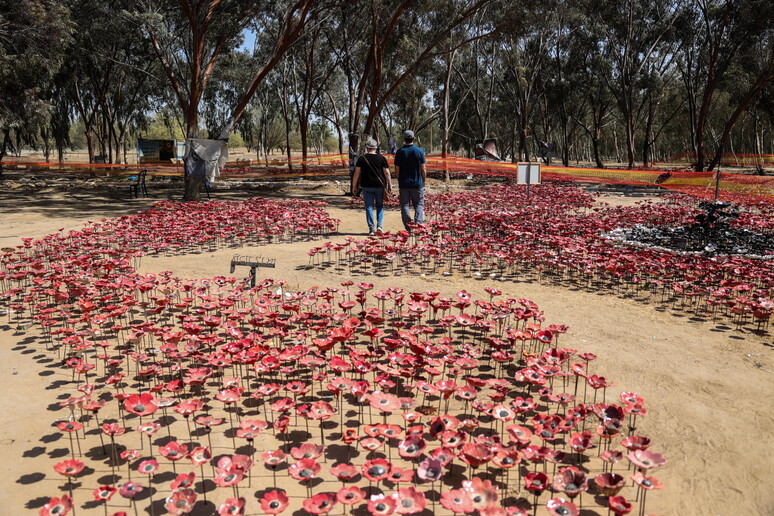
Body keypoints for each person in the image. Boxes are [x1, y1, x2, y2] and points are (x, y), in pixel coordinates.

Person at [351, 138, 392, 236]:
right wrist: (390, 185)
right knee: (379, 206)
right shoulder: (381, 158)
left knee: (369, 207)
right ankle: (380, 225)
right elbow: (387, 172)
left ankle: (371, 229)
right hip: (379, 186)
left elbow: (356, 173)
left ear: (367, 147)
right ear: (376, 147)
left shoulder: (362, 159)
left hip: (366, 186)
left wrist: (354, 186)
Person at [394, 130, 426, 232]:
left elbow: (397, 169)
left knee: (405, 205)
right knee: (419, 205)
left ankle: (408, 226)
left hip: (404, 184)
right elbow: (423, 169)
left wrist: (399, 179)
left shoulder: (399, 152)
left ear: (404, 139)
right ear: (414, 138)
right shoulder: (420, 151)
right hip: (417, 184)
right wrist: (423, 180)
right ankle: (418, 224)